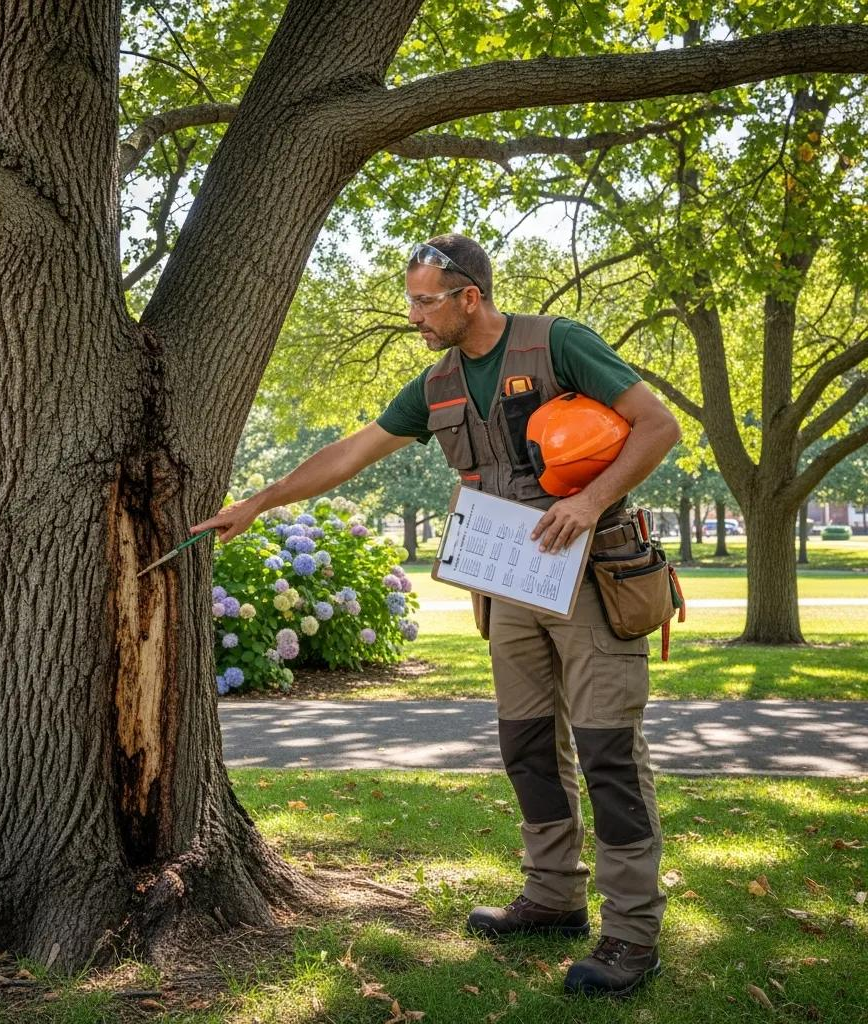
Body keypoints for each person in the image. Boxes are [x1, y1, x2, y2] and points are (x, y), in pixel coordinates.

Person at [193, 234, 681, 999]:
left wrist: (587, 503)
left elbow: (658, 425)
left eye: (426, 301)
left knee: (609, 754)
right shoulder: (439, 384)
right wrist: (260, 503)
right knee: (526, 746)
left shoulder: (559, 343)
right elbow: (353, 452)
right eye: (412, 301)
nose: (415, 316)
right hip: (509, 584)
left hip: (592, 578)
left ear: (470, 298)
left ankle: (632, 933)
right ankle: (553, 895)